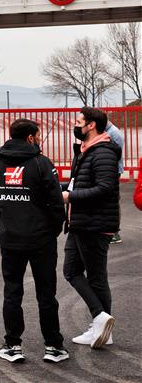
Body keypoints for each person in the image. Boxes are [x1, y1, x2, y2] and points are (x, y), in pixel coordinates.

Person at [0, 119, 69, 364]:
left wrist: (4, 225)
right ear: (31, 137)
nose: (40, 138)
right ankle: (53, 346)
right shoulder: (42, 164)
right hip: (40, 239)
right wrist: (51, 229)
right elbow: (55, 202)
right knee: (46, 294)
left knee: (12, 292)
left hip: (11, 239)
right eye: (38, 135)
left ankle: (12, 345)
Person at [63, 107, 121, 349]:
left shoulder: (103, 153)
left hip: (95, 224)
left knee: (96, 278)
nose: (76, 126)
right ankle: (100, 318)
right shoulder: (86, 151)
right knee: (71, 271)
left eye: (79, 122)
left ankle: (102, 328)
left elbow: (105, 188)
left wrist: (71, 197)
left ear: (91, 125)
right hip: (80, 222)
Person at [104, 120, 124, 244]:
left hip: (113, 170)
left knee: (112, 200)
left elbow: (116, 155)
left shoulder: (114, 133)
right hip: (111, 170)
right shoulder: (109, 131)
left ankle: (114, 232)